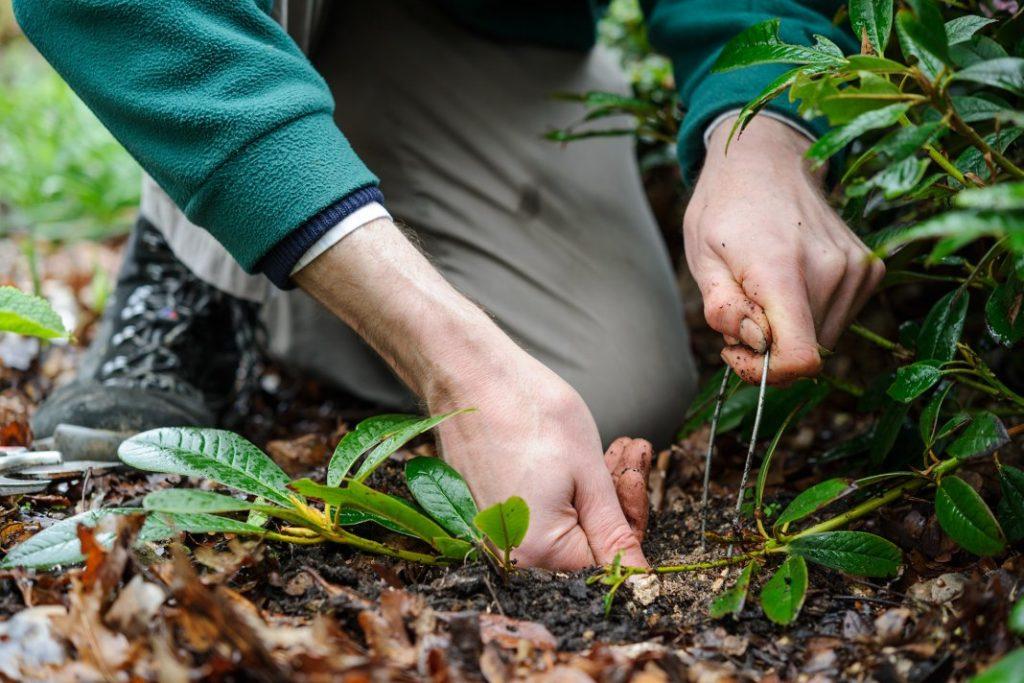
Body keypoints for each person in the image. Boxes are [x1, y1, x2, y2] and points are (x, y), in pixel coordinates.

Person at [14, 0, 884, 571]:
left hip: (475, 28)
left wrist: (761, 126)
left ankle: (294, 228)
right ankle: (196, 266)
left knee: (614, 393)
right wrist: (458, 368)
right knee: (508, 397)